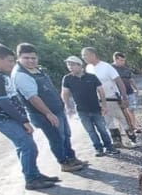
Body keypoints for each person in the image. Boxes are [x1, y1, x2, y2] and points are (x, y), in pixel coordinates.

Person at [0, 44, 58, 190]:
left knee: (26, 147)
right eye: (9, 61)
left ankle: (34, 174)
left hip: (13, 117)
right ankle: (31, 179)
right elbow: (5, 103)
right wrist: (23, 120)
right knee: (28, 146)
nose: (12, 64)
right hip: (4, 119)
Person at [12, 43, 86, 173]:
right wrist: (48, 113)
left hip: (57, 110)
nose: (30, 61)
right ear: (19, 58)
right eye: (26, 58)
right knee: (56, 138)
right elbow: (33, 98)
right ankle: (64, 163)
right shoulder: (21, 75)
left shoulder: (37, 70)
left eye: (33, 58)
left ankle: (71, 158)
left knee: (65, 135)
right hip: (43, 114)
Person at [61, 56, 119, 157]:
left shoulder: (91, 77)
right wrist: (67, 106)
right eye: (68, 65)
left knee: (102, 129)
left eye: (72, 65)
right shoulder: (67, 79)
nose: (70, 67)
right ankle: (98, 149)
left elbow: (101, 90)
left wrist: (104, 105)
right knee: (90, 131)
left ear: (79, 65)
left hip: (95, 108)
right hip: (81, 110)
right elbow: (64, 93)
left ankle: (109, 147)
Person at [81, 47, 136, 148]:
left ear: (93, 55)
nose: (83, 58)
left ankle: (131, 139)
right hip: (99, 101)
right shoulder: (88, 68)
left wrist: (124, 97)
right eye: (83, 56)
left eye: (85, 55)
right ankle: (117, 140)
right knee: (108, 121)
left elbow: (119, 81)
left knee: (122, 119)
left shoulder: (106, 67)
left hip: (112, 98)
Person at [111, 51, 141, 131]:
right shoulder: (110, 69)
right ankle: (123, 129)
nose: (123, 62)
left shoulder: (125, 68)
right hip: (118, 94)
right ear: (115, 59)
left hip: (130, 92)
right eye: (121, 60)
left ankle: (133, 127)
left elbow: (130, 79)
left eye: (124, 60)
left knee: (131, 110)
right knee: (121, 112)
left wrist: (136, 88)